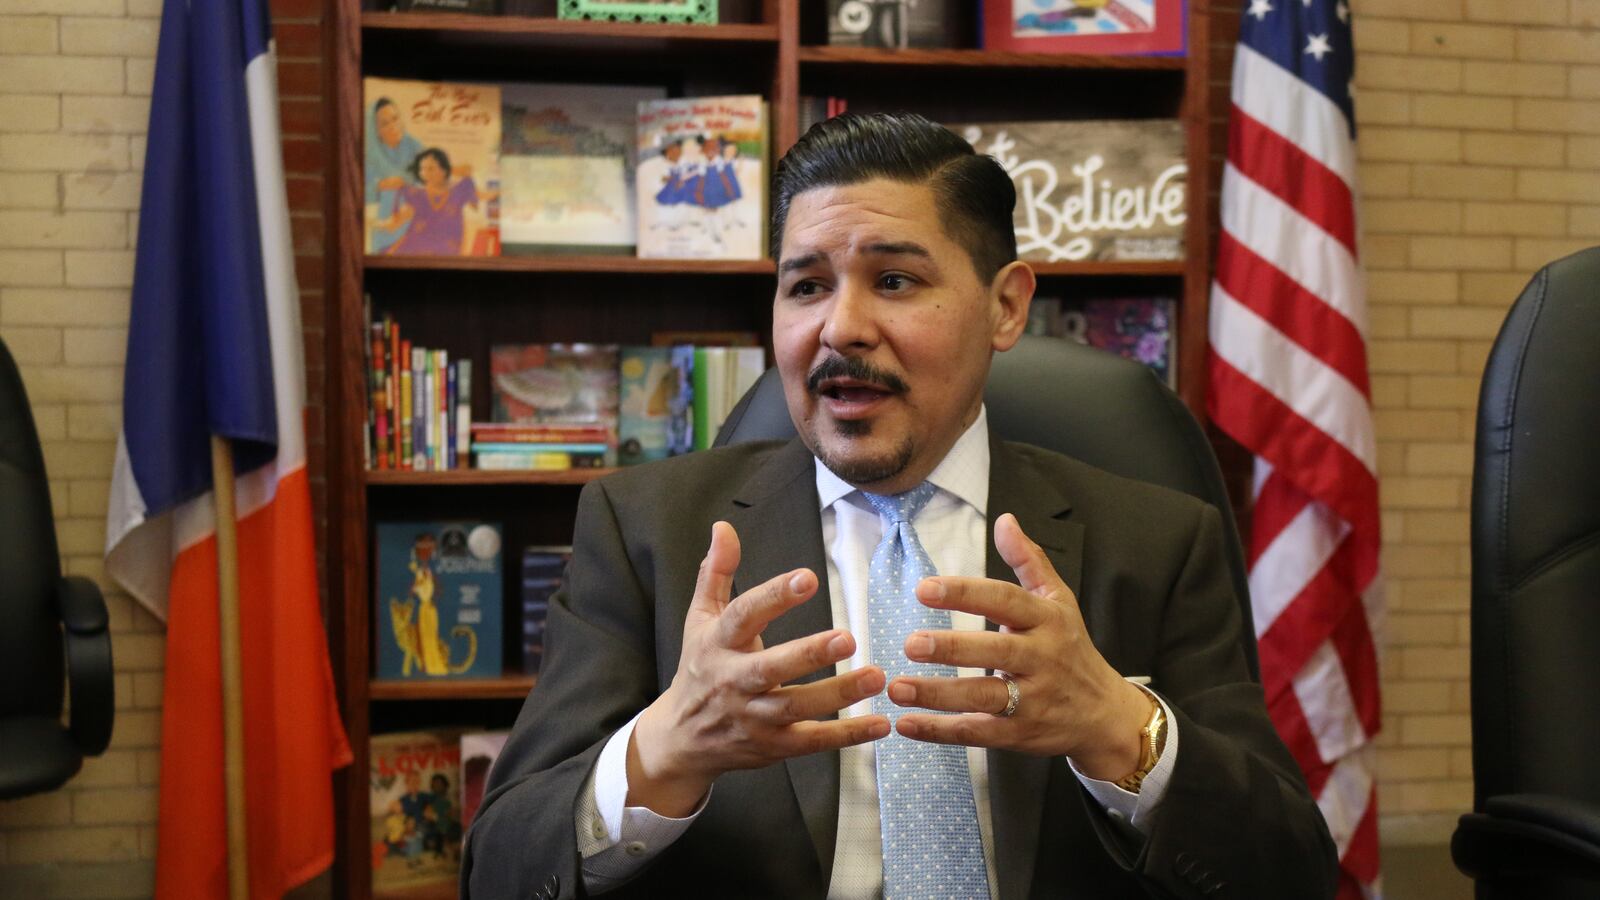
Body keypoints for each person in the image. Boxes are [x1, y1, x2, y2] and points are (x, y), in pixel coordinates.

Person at [462, 113, 1338, 899]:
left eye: (893, 281)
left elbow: (1289, 872)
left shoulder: (1157, 540)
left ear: (1004, 306)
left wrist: (1118, 726)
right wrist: (661, 751)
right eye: (806, 286)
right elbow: (500, 869)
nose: (840, 327)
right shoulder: (647, 531)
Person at [365, 97, 423, 253]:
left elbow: (427, 182)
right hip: (385, 227)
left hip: (416, 221)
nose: (393, 126)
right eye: (385, 123)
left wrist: (408, 186)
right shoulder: (371, 156)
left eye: (395, 119)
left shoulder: (415, 146)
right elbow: (360, 194)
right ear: (376, 131)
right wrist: (381, 185)